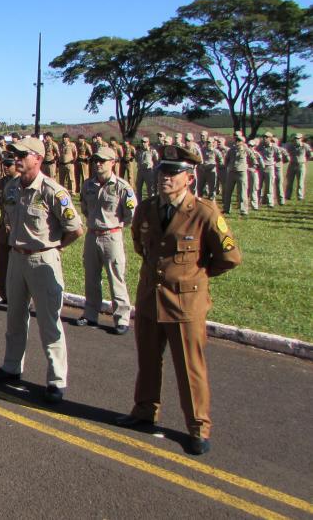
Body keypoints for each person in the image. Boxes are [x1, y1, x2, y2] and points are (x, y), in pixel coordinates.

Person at [115, 144, 241, 456]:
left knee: (189, 367)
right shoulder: (146, 208)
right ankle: (145, 409)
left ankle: (198, 426)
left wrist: (196, 276)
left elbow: (229, 257)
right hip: (150, 297)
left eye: (173, 173)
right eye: (162, 172)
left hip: (185, 304)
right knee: (147, 360)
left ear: (189, 178)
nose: (165, 178)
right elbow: (141, 246)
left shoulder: (203, 213)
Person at [0, 137, 83, 404]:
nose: (16, 159)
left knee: (49, 322)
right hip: (17, 258)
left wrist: (56, 247)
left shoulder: (53, 191)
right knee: (14, 318)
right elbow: (8, 217)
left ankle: (56, 379)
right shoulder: (11, 188)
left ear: (38, 159)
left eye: (22, 155)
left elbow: (76, 229)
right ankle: (11, 366)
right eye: (14, 155)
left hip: (43, 260)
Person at [75, 147, 136, 335]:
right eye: (95, 160)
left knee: (116, 277)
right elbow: (85, 207)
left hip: (112, 235)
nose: (98, 164)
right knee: (91, 277)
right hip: (92, 235)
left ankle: (121, 318)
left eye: (102, 160)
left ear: (113, 163)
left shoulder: (122, 187)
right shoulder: (88, 185)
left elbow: (131, 214)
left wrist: (113, 225)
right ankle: (91, 313)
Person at [0, 153, 19, 306]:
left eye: (9, 165)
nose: (5, 167)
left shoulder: (22, 182)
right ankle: (3, 292)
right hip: (4, 226)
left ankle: (19, 295)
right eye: (4, 165)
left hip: (18, 227)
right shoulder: (2, 183)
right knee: (2, 262)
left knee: (18, 263)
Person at [285, 133, 311, 200]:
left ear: (301, 139)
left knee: (300, 182)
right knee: (289, 182)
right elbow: (285, 152)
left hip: (301, 165)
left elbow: (310, 154)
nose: (296, 140)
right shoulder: (290, 146)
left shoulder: (305, 146)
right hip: (292, 165)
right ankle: (288, 196)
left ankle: (300, 196)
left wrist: (305, 160)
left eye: (298, 138)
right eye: (295, 138)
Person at [135, 136, 158, 202]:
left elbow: (156, 160)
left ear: (148, 142)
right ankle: (139, 203)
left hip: (149, 172)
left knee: (150, 189)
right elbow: (136, 159)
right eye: (142, 142)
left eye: (145, 142)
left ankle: (151, 203)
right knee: (138, 188)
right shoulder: (138, 151)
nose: (143, 143)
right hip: (140, 171)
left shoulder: (152, 151)